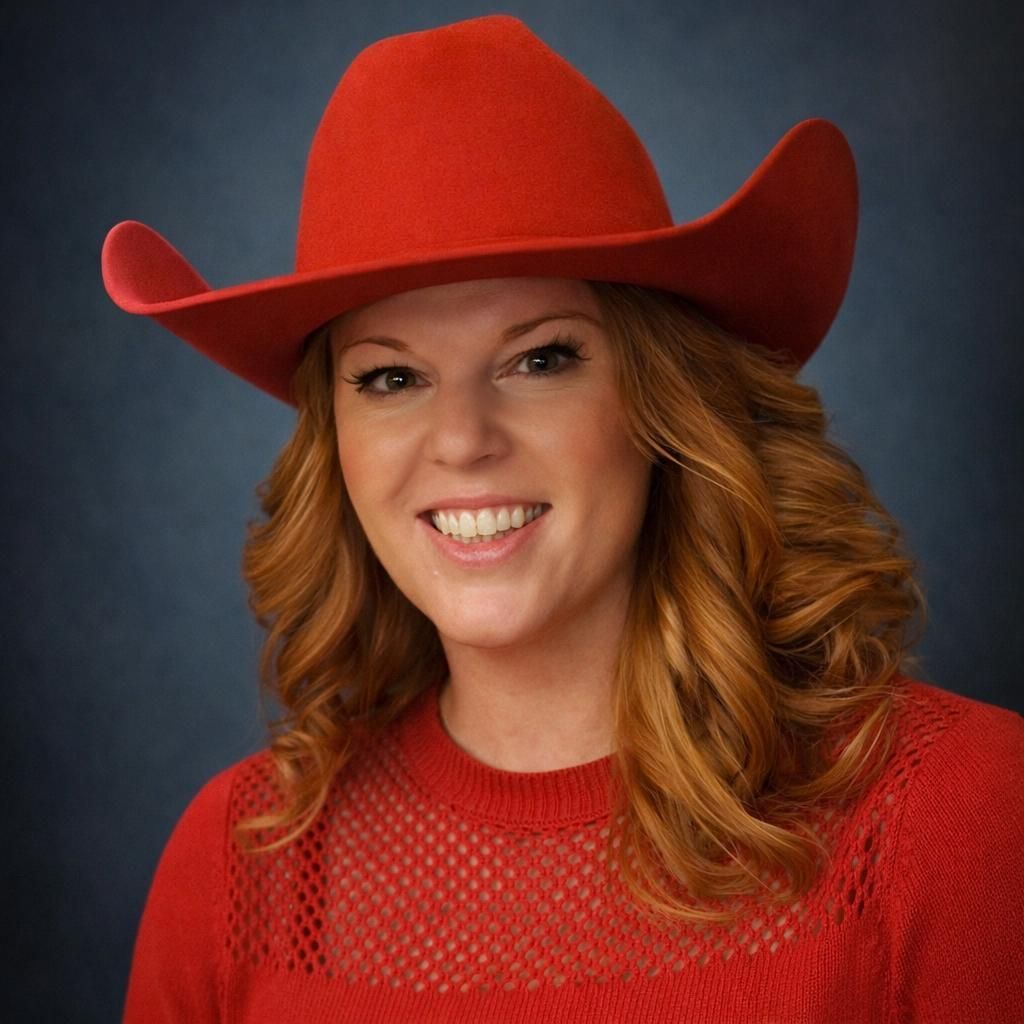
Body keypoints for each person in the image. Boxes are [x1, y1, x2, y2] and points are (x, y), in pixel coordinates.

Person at [102, 14, 1024, 1024]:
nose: (460, 438)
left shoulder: (953, 813)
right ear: (337, 444)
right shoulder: (244, 861)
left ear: (661, 401)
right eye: (391, 375)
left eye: (540, 358)